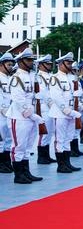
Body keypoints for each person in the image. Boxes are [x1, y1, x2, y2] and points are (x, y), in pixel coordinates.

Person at [8, 48, 45, 183]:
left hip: (31, 116)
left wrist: (37, 96)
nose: (31, 62)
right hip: (19, 117)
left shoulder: (31, 75)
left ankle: (26, 172)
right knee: (19, 146)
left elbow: (30, 96)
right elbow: (18, 99)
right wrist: (32, 115)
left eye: (31, 60)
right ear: (21, 61)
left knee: (28, 146)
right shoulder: (16, 77)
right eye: (28, 60)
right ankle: (18, 175)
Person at [34, 54, 56, 165]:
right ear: (41, 65)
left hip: (52, 107)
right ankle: (41, 157)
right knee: (44, 132)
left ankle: (47, 155)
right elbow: (43, 93)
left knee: (50, 132)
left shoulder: (50, 76)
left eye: (50, 64)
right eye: (47, 64)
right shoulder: (39, 77)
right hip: (44, 107)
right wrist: (52, 104)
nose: (50, 65)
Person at [0, 52, 17, 174]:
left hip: (10, 113)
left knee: (9, 139)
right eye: (8, 64)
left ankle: (6, 162)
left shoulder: (11, 79)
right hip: (1, 113)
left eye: (12, 64)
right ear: (1, 64)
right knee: (1, 140)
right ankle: (1, 164)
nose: (11, 67)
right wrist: (3, 109)